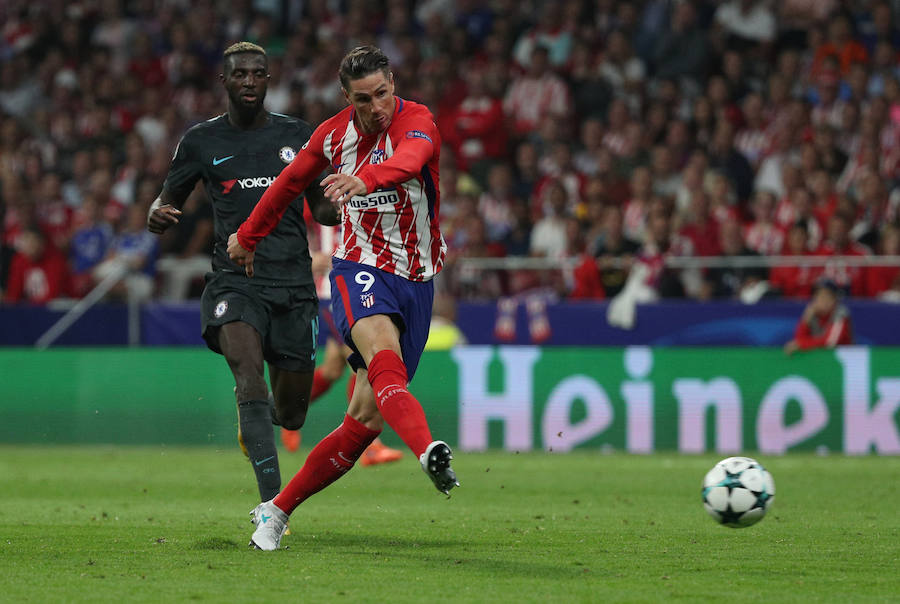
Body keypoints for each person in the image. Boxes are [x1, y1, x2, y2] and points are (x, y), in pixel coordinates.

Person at [227, 45, 459, 550]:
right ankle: (428, 452)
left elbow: (409, 161)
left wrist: (365, 178)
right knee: (381, 355)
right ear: (345, 97)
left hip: (417, 280)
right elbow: (288, 185)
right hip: (359, 267)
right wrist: (248, 235)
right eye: (363, 99)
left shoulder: (418, 121)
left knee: (365, 419)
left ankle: (277, 509)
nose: (376, 107)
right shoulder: (332, 136)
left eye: (382, 94)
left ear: (393, 84)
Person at [146, 42, 339, 507]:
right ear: (225, 81)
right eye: (240, 74)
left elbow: (322, 209)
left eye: (258, 74)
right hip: (235, 279)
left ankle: (254, 419)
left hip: (293, 283)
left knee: (291, 415)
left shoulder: (300, 136)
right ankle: (272, 507)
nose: (249, 81)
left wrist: (355, 199)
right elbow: (165, 198)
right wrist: (157, 212)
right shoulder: (200, 141)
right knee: (248, 378)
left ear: (269, 80)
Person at [784, 279, 853, 354]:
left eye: (827, 296)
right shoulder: (812, 313)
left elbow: (829, 342)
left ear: (834, 300)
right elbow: (798, 340)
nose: (823, 300)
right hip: (819, 360)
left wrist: (801, 344)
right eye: (819, 296)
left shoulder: (840, 313)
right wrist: (805, 320)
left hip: (841, 360)